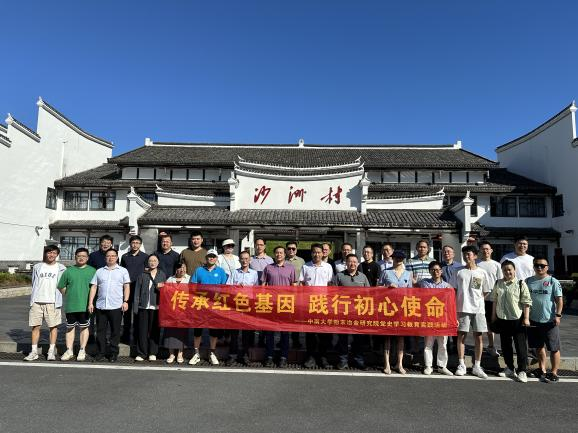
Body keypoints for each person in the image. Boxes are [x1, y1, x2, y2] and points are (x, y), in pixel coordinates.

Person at [449, 245, 492, 379]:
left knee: (478, 337)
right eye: (464, 254)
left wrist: (477, 300)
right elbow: (453, 290)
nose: (466, 256)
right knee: (461, 336)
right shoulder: (458, 271)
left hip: (478, 310)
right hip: (462, 308)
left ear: (475, 256)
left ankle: (477, 366)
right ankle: (461, 364)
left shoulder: (482, 272)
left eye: (469, 254)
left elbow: (486, 291)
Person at [491, 260, 532, 382]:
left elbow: (526, 302)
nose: (507, 272)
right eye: (505, 270)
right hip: (502, 318)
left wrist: (526, 318)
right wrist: (493, 316)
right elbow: (495, 300)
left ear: (514, 270)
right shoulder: (498, 283)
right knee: (505, 345)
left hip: (517, 319)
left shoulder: (520, 283)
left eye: (509, 269)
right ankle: (509, 367)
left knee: (520, 346)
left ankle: (522, 370)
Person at [23, 245, 66, 361]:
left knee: (53, 327)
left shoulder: (61, 268)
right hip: (37, 301)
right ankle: (34, 352)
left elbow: (63, 284)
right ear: (45, 253)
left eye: (54, 253)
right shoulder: (38, 267)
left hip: (53, 302)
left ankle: (51, 351)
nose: (51, 255)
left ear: (57, 255)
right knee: (35, 326)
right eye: (49, 252)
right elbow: (34, 283)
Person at [88, 249, 131, 362]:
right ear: (105, 258)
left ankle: (113, 353)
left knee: (115, 331)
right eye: (108, 256)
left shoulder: (123, 271)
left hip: (116, 306)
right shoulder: (99, 271)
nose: (110, 258)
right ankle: (101, 352)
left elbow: (126, 286)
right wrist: (90, 303)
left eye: (113, 256)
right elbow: (94, 287)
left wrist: (126, 301)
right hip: (101, 305)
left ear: (117, 257)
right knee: (100, 330)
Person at [526, 256, 564, 383]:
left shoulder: (553, 281)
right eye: (537, 265)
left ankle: (554, 372)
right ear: (533, 267)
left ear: (547, 267)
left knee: (554, 348)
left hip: (550, 321)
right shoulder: (528, 281)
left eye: (542, 265)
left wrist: (558, 315)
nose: (539, 267)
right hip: (533, 320)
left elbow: (559, 300)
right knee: (538, 346)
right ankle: (541, 369)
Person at [190, 249, 228, 365]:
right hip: (201, 304)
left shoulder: (221, 271)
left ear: (216, 259)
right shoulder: (199, 270)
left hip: (215, 305)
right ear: (206, 258)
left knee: (213, 331)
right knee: (198, 330)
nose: (211, 258)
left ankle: (212, 353)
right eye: (209, 256)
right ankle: (196, 353)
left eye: (213, 256)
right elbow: (192, 286)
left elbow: (225, 288)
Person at [57, 247, 96, 362]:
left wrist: (91, 302)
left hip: (85, 305)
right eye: (79, 256)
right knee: (70, 328)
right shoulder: (69, 271)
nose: (81, 258)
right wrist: (69, 295)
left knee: (84, 327)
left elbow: (95, 287)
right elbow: (61, 286)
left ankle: (82, 350)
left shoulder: (93, 271)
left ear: (87, 258)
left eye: (84, 256)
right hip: (71, 305)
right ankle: (69, 350)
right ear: (75, 257)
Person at [261, 246, 296, 368]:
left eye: (281, 253)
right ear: (274, 254)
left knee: (285, 332)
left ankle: (283, 357)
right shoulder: (268, 267)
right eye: (277, 253)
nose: (279, 254)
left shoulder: (291, 268)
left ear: (285, 254)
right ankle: (269, 356)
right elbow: (263, 285)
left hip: (285, 304)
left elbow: (294, 285)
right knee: (269, 332)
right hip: (271, 303)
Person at [300, 243, 334, 369]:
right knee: (310, 333)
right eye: (314, 252)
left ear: (322, 253)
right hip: (309, 304)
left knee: (323, 332)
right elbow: (301, 283)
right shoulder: (306, 266)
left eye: (319, 252)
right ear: (311, 253)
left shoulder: (328, 267)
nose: (317, 254)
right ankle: (310, 357)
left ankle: (323, 357)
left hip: (323, 304)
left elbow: (330, 285)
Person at [379, 250, 411, 374]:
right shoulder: (385, 272)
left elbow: (410, 292)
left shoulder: (408, 273)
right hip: (388, 307)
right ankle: (387, 364)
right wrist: (387, 288)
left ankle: (399, 363)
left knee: (400, 337)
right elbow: (377, 288)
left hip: (402, 308)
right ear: (392, 258)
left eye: (401, 258)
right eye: (396, 257)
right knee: (387, 336)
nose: (398, 260)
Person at [335, 254, 370, 370]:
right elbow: (332, 293)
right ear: (346, 263)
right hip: (343, 312)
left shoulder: (363, 277)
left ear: (358, 263)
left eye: (355, 262)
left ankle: (359, 360)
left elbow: (368, 294)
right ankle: (343, 361)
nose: (352, 264)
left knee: (359, 339)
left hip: (358, 313)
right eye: (350, 261)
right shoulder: (339, 276)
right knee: (343, 339)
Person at [419, 261, 454, 376]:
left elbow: (450, 303)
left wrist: (453, 318)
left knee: (443, 344)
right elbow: (414, 290)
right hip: (429, 317)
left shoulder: (447, 286)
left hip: (442, 318)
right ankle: (428, 366)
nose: (436, 272)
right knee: (428, 344)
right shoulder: (424, 283)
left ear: (441, 271)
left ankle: (442, 366)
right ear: (429, 271)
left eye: (438, 270)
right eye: (433, 270)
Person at [227, 250, 259, 366]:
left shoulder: (254, 273)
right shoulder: (234, 272)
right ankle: (232, 355)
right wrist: (236, 286)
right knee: (234, 333)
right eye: (242, 259)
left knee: (247, 333)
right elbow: (227, 287)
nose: (244, 261)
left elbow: (256, 290)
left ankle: (245, 355)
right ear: (239, 260)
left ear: (250, 260)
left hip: (248, 307)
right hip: (235, 306)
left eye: (246, 259)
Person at [133, 254, 167, 362]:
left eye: (154, 260)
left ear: (158, 262)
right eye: (150, 260)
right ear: (148, 262)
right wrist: (135, 307)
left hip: (156, 307)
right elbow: (137, 290)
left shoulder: (162, 274)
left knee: (154, 331)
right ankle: (142, 353)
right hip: (143, 306)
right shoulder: (142, 274)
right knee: (142, 331)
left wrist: (161, 288)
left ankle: (153, 352)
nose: (152, 262)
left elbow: (166, 291)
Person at [120, 235, 149, 343]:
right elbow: (121, 271)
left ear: (140, 244)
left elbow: (147, 271)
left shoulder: (145, 257)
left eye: (137, 243)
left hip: (139, 288)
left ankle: (137, 336)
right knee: (126, 313)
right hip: (127, 287)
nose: (135, 245)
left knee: (138, 312)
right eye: (133, 243)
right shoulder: (125, 256)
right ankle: (126, 335)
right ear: (130, 244)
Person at [477, 240, 503, 357]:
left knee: (493, 323)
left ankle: (493, 346)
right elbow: (475, 282)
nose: (485, 251)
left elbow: (500, 282)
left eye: (487, 249)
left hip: (494, 299)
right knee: (482, 324)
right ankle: (484, 346)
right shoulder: (476, 264)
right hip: (480, 299)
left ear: (491, 250)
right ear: (479, 251)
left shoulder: (497, 265)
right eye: (483, 249)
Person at [163, 263, 190, 364]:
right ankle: (171, 354)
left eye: (184, 267)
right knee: (170, 331)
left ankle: (180, 353)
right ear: (176, 269)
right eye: (180, 268)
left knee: (182, 332)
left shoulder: (189, 279)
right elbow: (165, 293)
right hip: (171, 310)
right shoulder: (170, 279)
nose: (182, 270)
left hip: (184, 309)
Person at [285, 241, 306, 349]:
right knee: (285, 317)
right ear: (286, 250)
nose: (291, 250)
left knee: (296, 318)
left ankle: (296, 340)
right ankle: (283, 340)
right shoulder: (282, 260)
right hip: (284, 294)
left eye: (293, 248)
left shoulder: (301, 261)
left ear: (296, 250)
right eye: (289, 248)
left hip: (297, 294)